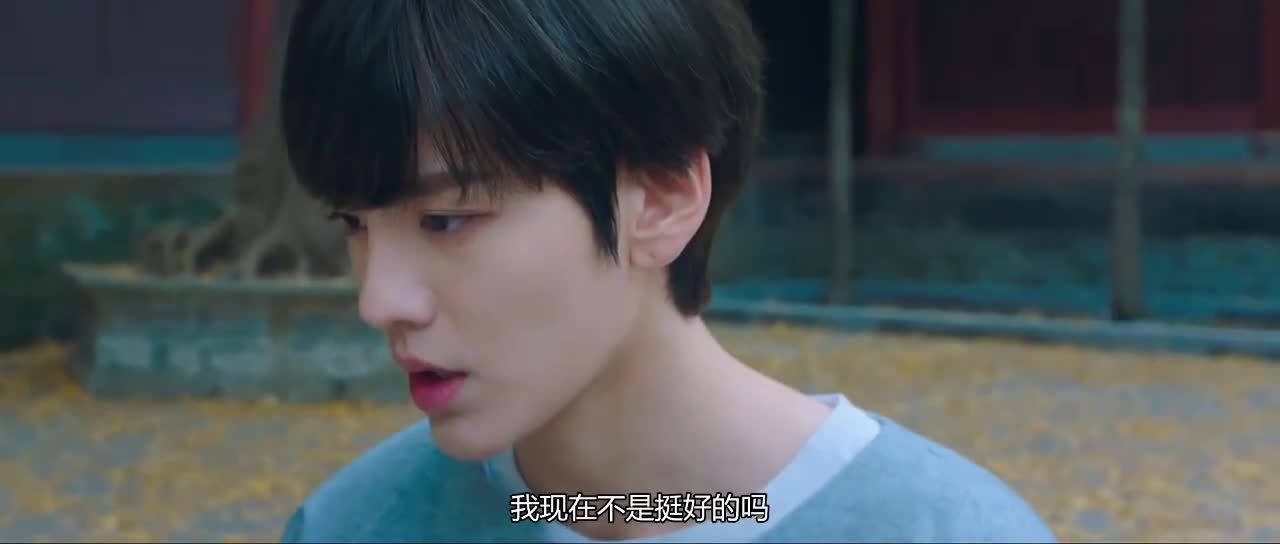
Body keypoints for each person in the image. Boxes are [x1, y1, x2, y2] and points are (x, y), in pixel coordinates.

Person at [275, 0, 1056, 542]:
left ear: (659, 200)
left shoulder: (939, 531)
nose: (379, 299)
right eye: (354, 224)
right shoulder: (352, 527)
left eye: (446, 220)